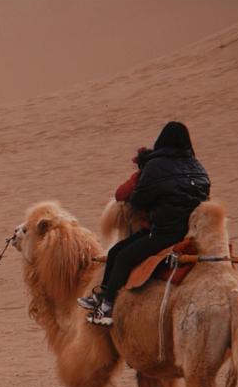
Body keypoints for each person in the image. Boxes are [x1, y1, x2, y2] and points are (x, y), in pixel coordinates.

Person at [80, 121, 210, 326]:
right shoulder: (199, 167)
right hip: (192, 233)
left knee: (122, 257)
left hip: (164, 233)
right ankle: (102, 295)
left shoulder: (155, 166)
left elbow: (140, 199)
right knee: (115, 252)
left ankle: (106, 309)